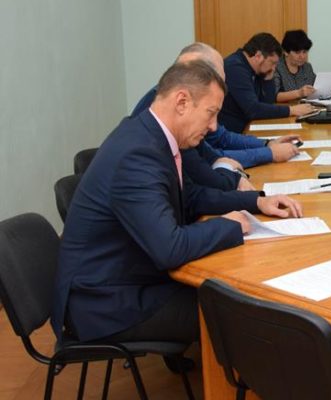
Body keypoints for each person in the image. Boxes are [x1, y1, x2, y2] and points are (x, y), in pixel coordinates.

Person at [51, 60, 303, 345]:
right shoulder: (137, 154)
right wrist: (230, 225)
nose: (213, 126)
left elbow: (191, 197)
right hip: (106, 302)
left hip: (130, 275)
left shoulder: (151, 135)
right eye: (210, 113)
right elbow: (169, 249)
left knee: (236, 296)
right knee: (241, 315)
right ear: (182, 102)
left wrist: (256, 201)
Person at [133, 43, 302, 181]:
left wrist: (267, 144)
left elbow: (219, 140)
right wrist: (268, 153)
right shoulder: (161, 114)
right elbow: (206, 162)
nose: (212, 125)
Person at [219, 32, 316, 134]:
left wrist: (269, 78)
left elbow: (267, 103)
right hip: (230, 133)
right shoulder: (235, 68)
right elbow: (253, 109)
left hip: (246, 127)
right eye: (272, 63)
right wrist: (291, 110)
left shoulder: (257, 69)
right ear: (258, 56)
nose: (274, 68)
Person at [274, 29, 331, 102]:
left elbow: (316, 91)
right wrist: (299, 93)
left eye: (304, 52)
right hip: (285, 108)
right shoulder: (275, 67)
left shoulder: (307, 67)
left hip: (306, 107)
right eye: (297, 52)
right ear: (285, 52)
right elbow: (273, 96)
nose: (302, 56)